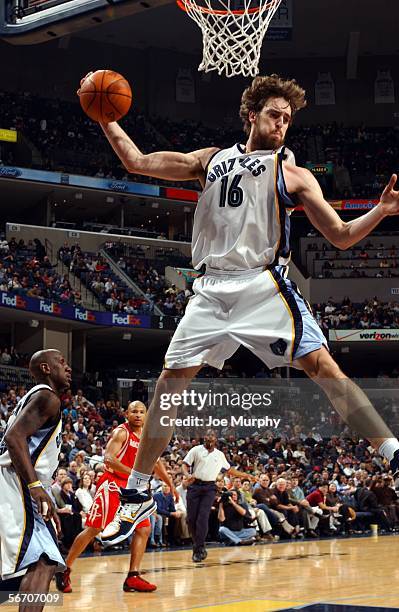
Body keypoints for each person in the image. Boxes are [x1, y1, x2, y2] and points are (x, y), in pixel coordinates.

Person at [77, 71, 399, 539]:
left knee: (324, 368)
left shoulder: (294, 174)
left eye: (288, 118)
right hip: (209, 290)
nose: (283, 123)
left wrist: (381, 211)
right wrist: (105, 117)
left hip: (262, 286)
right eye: (275, 114)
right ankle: (137, 488)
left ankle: (392, 451)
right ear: (252, 116)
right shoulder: (210, 160)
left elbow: (342, 237)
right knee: (169, 385)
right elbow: (137, 162)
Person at [55, 401, 176, 594]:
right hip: (112, 483)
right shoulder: (122, 432)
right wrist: (134, 474)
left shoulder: (148, 436)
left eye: (141, 412)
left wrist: (170, 483)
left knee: (144, 529)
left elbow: (156, 462)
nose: (138, 415)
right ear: (126, 414)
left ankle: (133, 576)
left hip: (133, 488)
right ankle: (65, 569)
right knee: (95, 528)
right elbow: (109, 459)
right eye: (133, 411)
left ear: (146, 415)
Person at [0, 349, 72, 611]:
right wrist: (34, 487)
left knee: (45, 560)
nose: (68, 367)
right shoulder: (47, 397)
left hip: (18, 482)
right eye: (61, 362)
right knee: (43, 559)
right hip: (16, 482)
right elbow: (14, 439)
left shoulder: (37, 398)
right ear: (45, 368)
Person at [181, 429, 256, 562]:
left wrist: (246, 475)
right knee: (191, 519)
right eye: (208, 435)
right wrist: (187, 476)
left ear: (215, 439)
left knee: (202, 517)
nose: (210, 437)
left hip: (210, 487)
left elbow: (229, 470)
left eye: (212, 435)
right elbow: (184, 465)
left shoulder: (219, 455)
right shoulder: (196, 450)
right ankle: (197, 544)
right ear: (204, 437)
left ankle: (199, 548)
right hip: (194, 486)